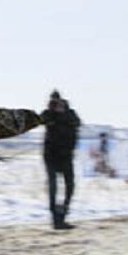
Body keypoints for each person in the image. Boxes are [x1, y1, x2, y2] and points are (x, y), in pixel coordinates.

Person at [41, 90, 81, 229]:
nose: (55, 104)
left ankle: (63, 214)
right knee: (53, 187)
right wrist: (52, 113)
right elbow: (41, 119)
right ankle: (55, 219)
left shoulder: (70, 114)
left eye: (57, 101)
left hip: (66, 155)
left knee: (70, 186)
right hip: (51, 155)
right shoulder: (48, 114)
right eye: (53, 101)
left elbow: (77, 124)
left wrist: (63, 113)